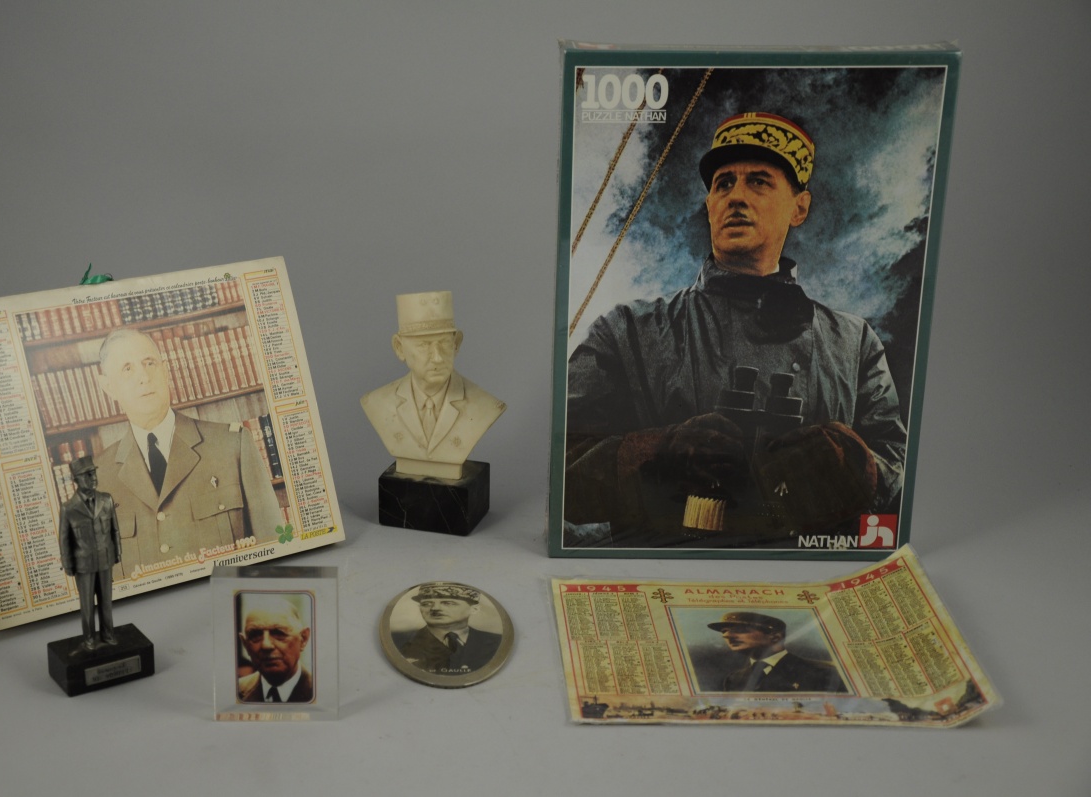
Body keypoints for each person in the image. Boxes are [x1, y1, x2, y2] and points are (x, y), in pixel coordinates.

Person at [565, 112, 907, 543]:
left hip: (810, 570)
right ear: (709, 205)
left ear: (799, 207)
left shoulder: (854, 343)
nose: (736, 197)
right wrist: (656, 453)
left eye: (759, 181)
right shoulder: (627, 331)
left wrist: (860, 470)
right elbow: (559, 465)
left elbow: (900, 471)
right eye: (723, 184)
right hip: (669, 568)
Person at [92, 328, 282, 575]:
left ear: (165, 371)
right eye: (127, 369)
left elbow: (274, 554)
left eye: (149, 363)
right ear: (108, 386)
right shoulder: (98, 479)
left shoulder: (232, 445)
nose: (144, 377)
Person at [361, 291, 506, 480]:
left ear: (456, 344)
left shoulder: (485, 405)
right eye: (423, 345)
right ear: (399, 348)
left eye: (444, 343)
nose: (437, 357)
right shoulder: (376, 402)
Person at [57, 456, 122, 652]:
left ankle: (108, 634)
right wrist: (68, 565)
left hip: (105, 558)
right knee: (87, 604)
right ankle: (89, 639)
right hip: (83, 564)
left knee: (106, 601)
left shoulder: (106, 500)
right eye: (87, 475)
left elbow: (115, 529)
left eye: (93, 473)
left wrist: (118, 552)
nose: (93, 477)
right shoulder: (69, 509)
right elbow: (64, 540)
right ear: (75, 480)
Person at [707, 611, 845, 693]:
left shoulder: (821, 671)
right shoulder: (734, 679)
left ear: (775, 637)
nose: (727, 636)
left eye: (740, 630)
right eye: (724, 631)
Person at [394, 583, 501, 674]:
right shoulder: (399, 642)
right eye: (426, 604)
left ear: (474, 609)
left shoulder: (497, 641)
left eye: (448, 603)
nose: (435, 608)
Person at [237, 594, 313, 703]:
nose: (266, 645)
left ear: (303, 639)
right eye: (255, 635)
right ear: (245, 645)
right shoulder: (235, 692)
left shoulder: (323, 691)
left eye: (279, 633)